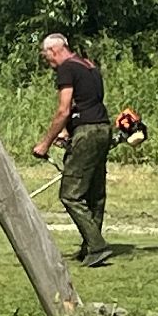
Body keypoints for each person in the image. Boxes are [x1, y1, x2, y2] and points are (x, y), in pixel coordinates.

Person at [32, 33, 113, 267]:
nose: (49, 62)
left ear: (55, 50)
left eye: (47, 57)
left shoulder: (66, 68)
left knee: (70, 194)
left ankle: (97, 246)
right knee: (95, 193)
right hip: (102, 128)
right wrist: (66, 132)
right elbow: (87, 101)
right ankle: (90, 247)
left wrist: (44, 143)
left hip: (87, 133)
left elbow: (64, 109)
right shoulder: (89, 65)